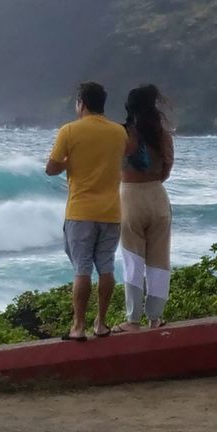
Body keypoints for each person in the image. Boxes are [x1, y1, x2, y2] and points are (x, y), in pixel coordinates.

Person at [45, 81, 128, 340]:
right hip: (112, 211)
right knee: (106, 267)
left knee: (82, 269)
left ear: (81, 102)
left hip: (81, 211)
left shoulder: (69, 131)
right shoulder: (119, 133)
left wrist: (70, 161)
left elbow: (51, 167)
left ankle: (78, 326)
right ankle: (101, 323)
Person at [117, 84, 176, 331]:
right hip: (157, 195)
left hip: (129, 196)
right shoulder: (163, 135)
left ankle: (133, 320)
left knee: (132, 260)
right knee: (159, 260)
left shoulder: (122, 134)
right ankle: (155, 318)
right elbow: (166, 170)